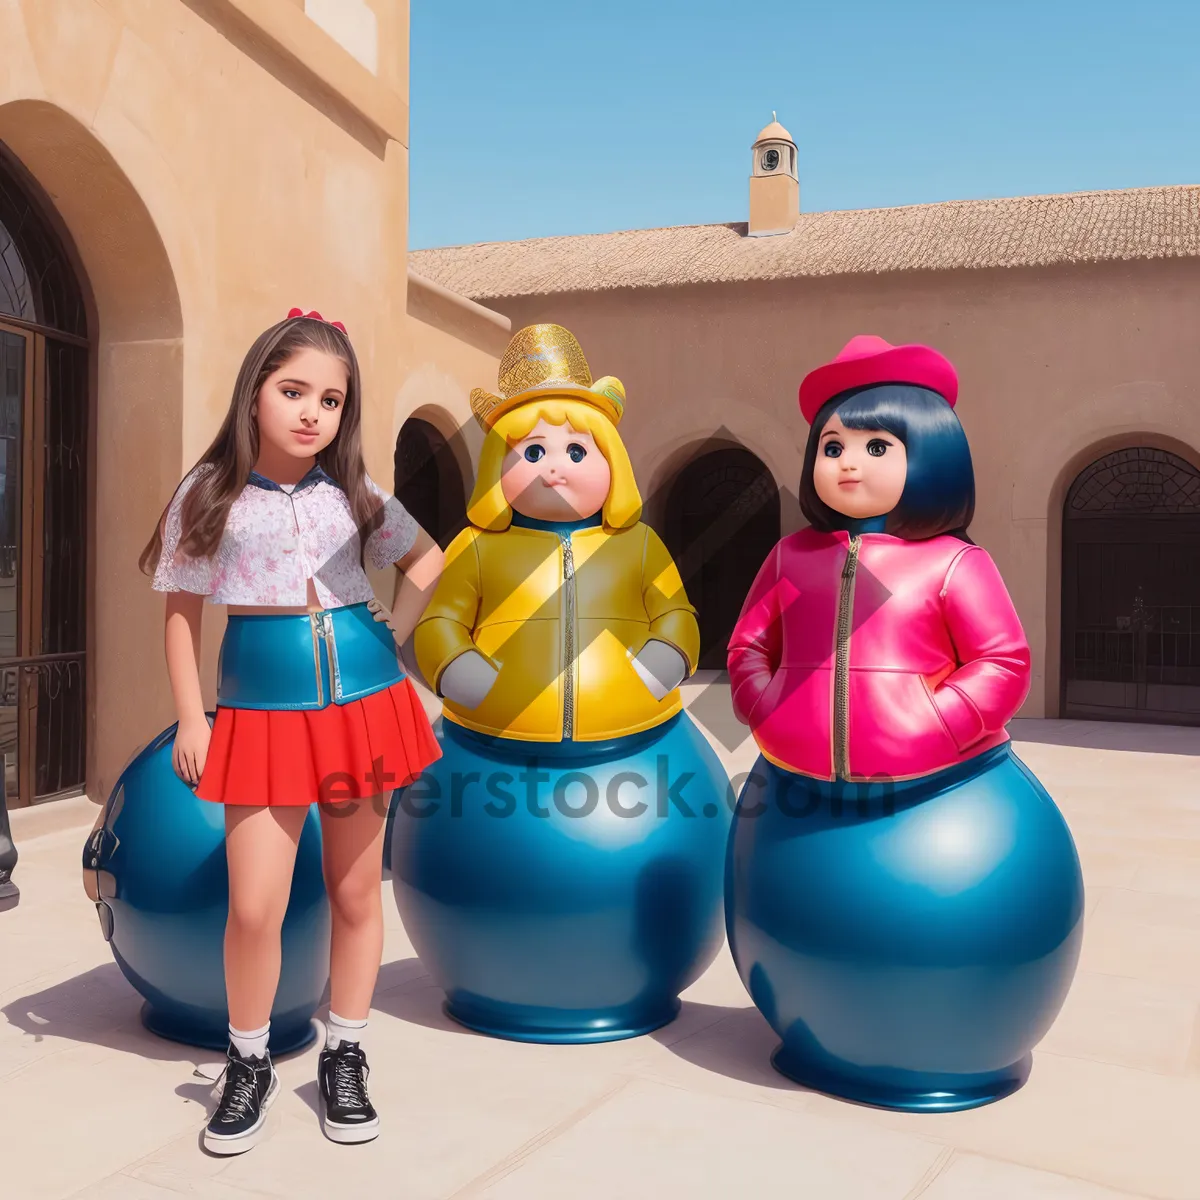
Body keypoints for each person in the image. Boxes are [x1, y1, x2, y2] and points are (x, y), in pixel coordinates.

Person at [723, 334, 1083, 1110]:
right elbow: (750, 644)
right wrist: (768, 710)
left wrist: (936, 722)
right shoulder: (793, 558)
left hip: (941, 786)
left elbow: (1001, 661)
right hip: (798, 784)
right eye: (833, 445)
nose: (848, 462)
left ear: (931, 454)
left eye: (876, 444)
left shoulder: (954, 563)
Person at [140, 309, 443, 1153]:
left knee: (354, 893)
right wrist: (192, 716)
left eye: (333, 400)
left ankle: (345, 1053)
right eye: (294, 391)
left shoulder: (352, 493)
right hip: (259, 717)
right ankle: (249, 1061)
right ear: (255, 393)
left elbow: (428, 560)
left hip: (364, 708)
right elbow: (179, 615)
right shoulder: (208, 492)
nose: (313, 413)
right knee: (254, 906)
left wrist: (391, 634)